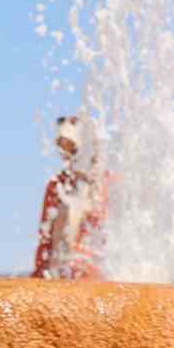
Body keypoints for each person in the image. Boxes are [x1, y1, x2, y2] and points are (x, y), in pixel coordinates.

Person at [31, 115, 105, 280]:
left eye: (72, 147)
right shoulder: (57, 186)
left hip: (97, 277)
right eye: (63, 147)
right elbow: (45, 242)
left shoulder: (107, 185)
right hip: (63, 275)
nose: (66, 154)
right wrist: (39, 277)